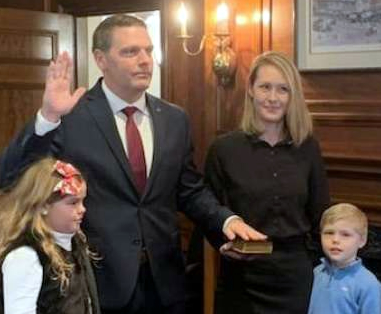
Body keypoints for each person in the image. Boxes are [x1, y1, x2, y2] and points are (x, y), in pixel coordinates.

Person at [0, 14, 261, 314]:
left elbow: (189, 191)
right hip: (98, 283)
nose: (145, 60)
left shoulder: (174, 119)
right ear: (101, 59)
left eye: (148, 50)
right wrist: (47, 118)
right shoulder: (72, 116)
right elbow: (12, 177)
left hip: (165, 284)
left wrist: (227, 222)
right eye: (130, 52)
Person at [204, 51, 330, 314]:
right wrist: (224, 245)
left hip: (295, 278)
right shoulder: (224, 149)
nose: (273, 98)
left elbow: (321, 214)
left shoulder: (308, 148)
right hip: (241, 278)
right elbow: (208, 212)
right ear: (251, 89)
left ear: (292, 96)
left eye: (282, 89)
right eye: (265, 87)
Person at [0, 157, 100, 314]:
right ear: (44, 205)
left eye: (82, 201)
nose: (82, 209)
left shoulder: (75, 242)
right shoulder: (26, 257)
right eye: (73, 203)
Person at [308, 203, 381, 314]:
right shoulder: (315, 273)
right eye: (329, 233)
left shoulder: (368, 284)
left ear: (362, 240)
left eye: (345, 235)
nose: (335, 240)